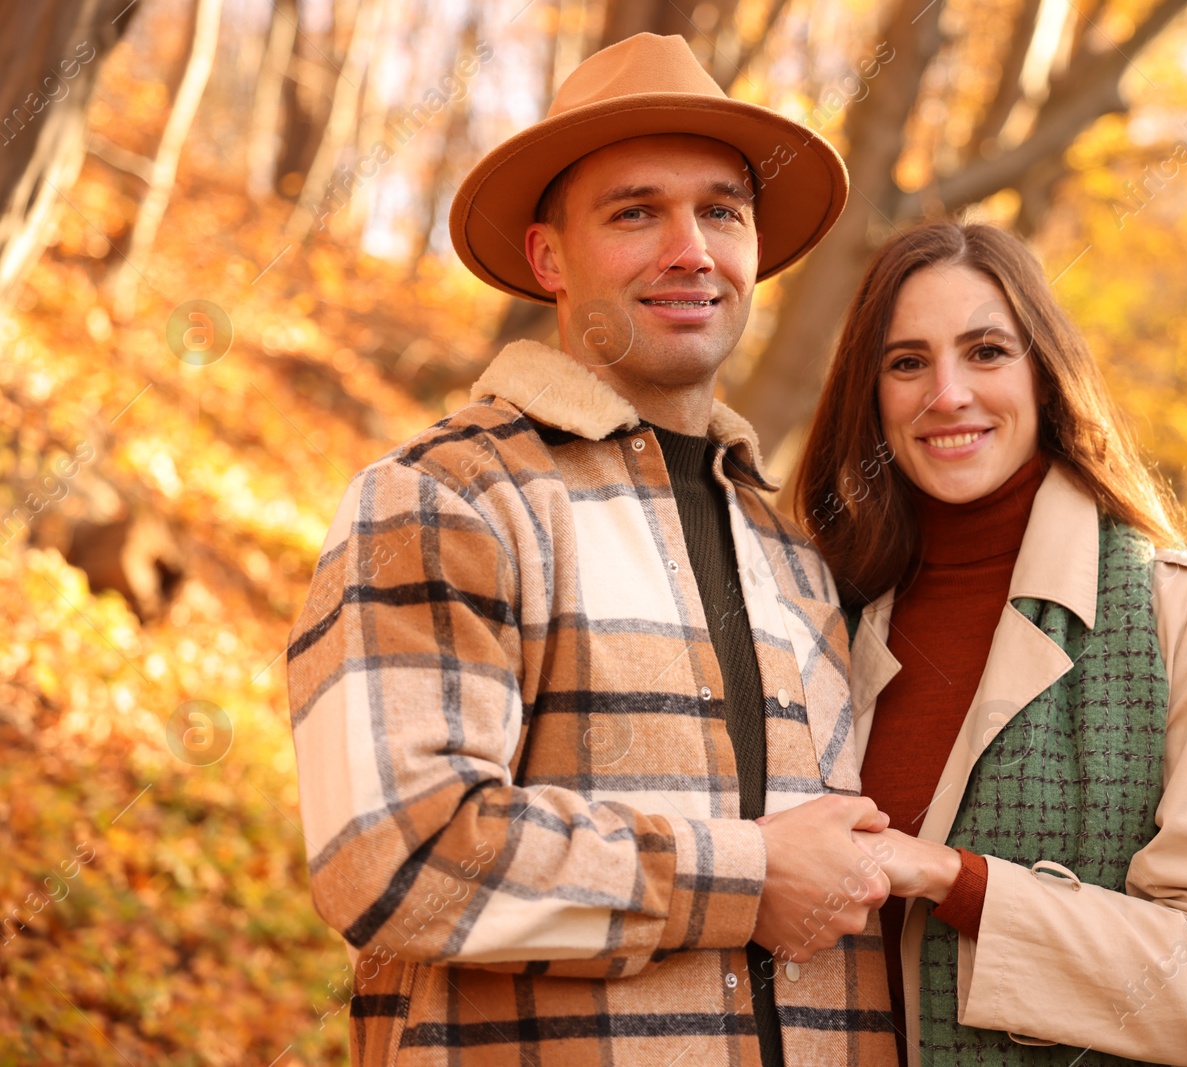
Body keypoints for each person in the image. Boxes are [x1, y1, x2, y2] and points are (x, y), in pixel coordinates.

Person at [286, 33, 898, 1067]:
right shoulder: (444, 499)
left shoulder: (796, 554)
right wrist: (743, 876)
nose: (690, 248)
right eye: (634, 211)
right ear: (548, 258)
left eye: (720, 210)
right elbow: (399, 858)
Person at [794, 221, 1187, 1066]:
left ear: (1044, 373)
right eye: (907, 361)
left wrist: (956, 880)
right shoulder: (813, 615)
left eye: (987, 351)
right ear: (870, 394)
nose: (947, 392)